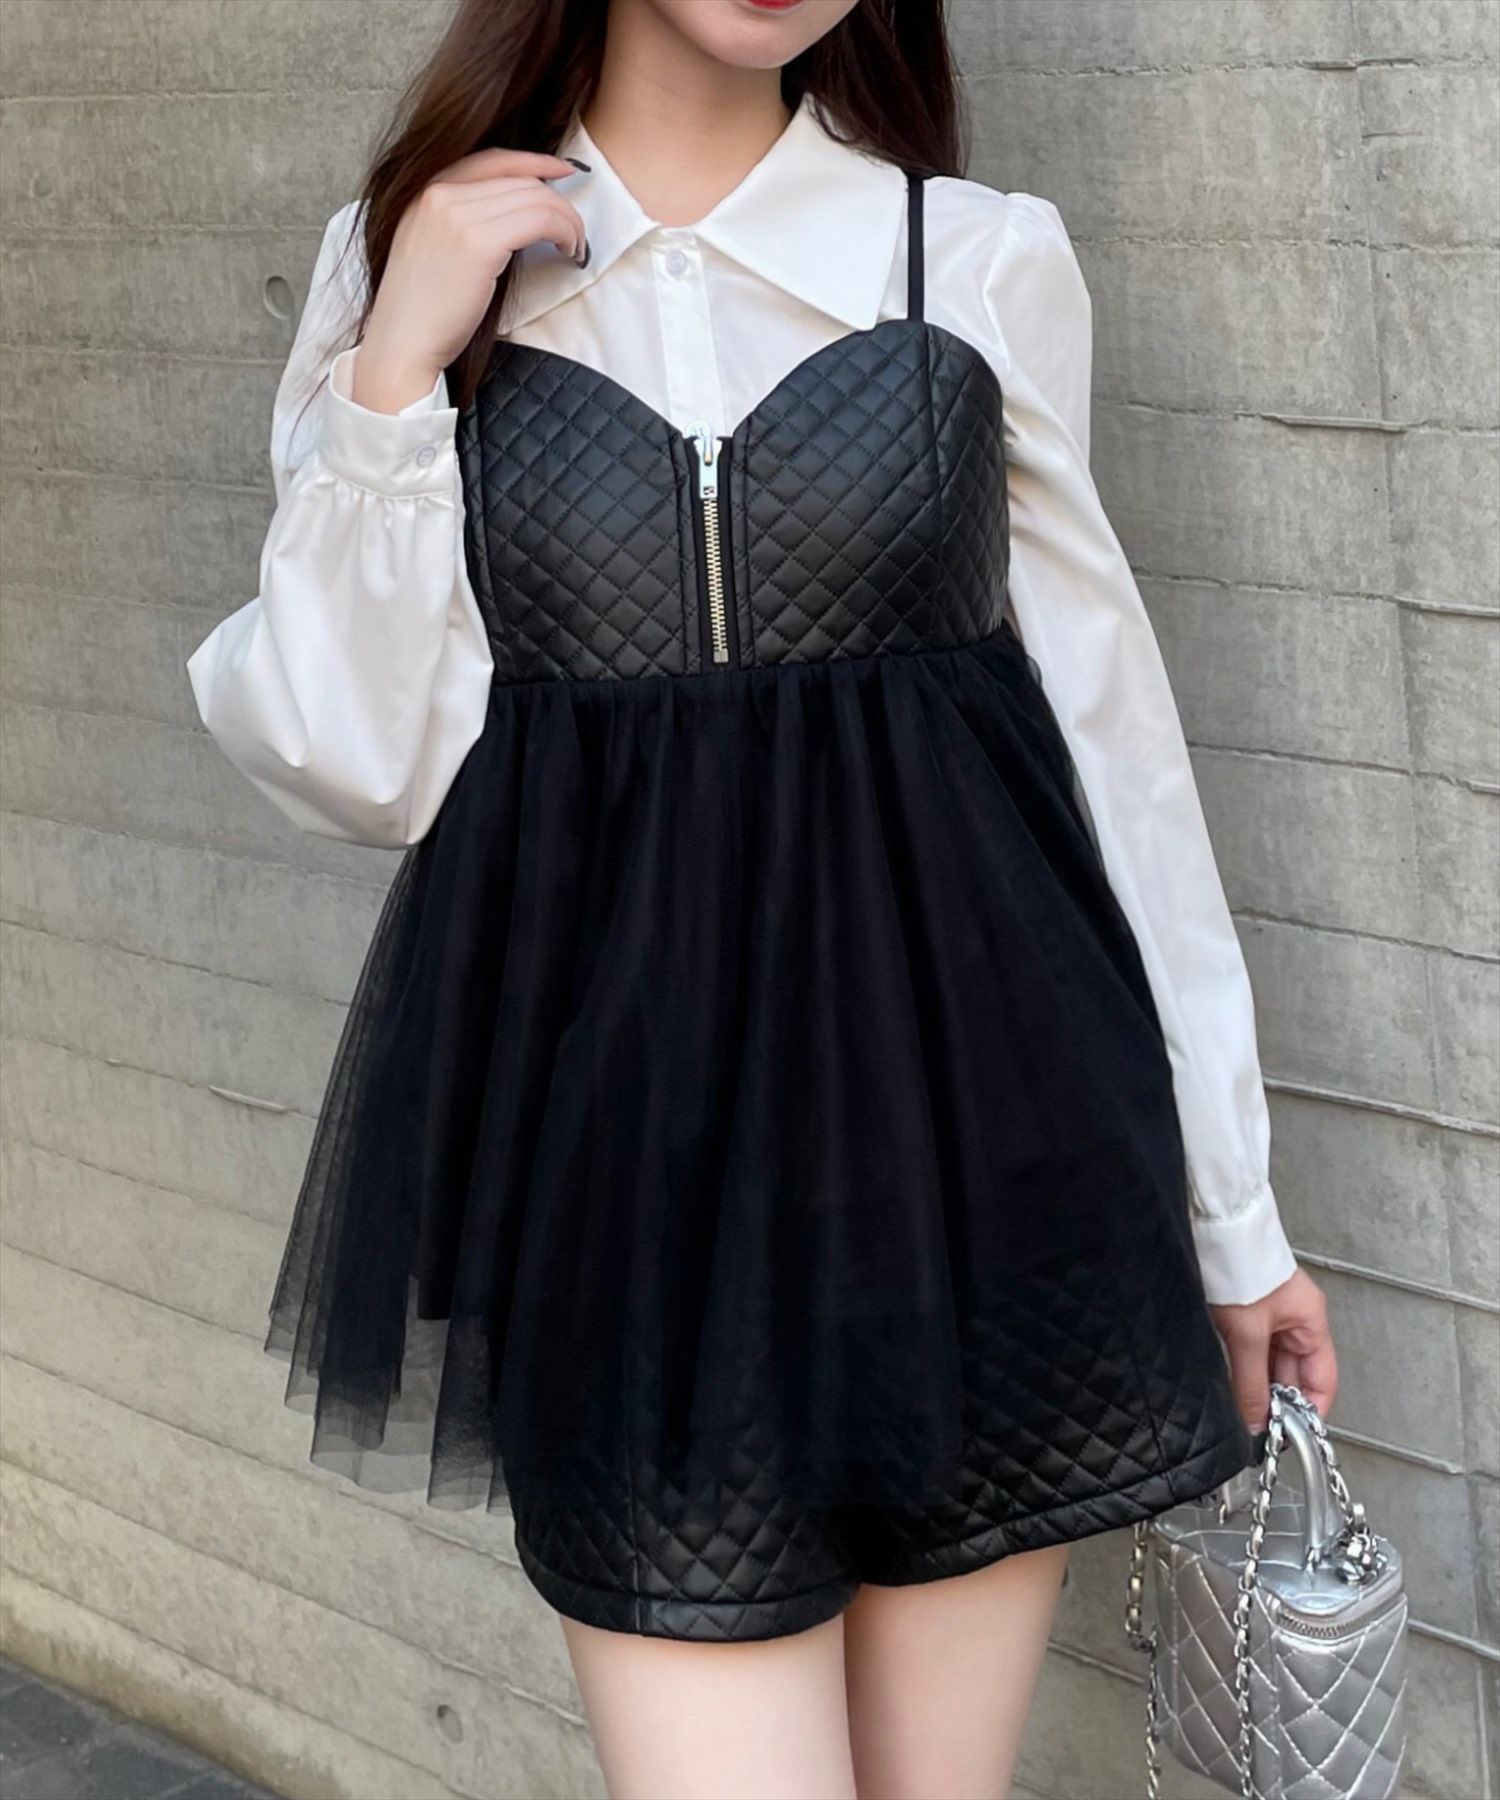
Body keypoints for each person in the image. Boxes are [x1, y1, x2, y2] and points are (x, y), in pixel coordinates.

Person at [184, 1, 1338, 1794]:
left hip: (990, 1163)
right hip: (629, 1196)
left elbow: (1117, 749)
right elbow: (354, 758)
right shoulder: (408, 265)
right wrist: (397, 366)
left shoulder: (974, 256)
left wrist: (1236, 1216)